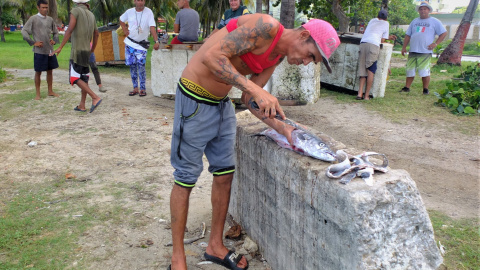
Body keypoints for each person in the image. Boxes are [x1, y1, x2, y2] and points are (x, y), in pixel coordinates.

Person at [167, 14, 340, 270]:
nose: (305, 63)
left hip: (220, 104)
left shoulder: (276, 56)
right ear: (304, 35)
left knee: (224, 174)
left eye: (311, 62)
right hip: (193, 98)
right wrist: (256, 88)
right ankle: (178, 257)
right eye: (310, 55)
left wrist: (283, 128)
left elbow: (250, 99)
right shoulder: (266, 27)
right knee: (186, 177)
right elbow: (212, 57)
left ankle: (215, 245)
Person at [51, 0, 102, 113]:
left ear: (77, 3)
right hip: (87, 51)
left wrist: (60, 47)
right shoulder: (91, 14)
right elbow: (96, 33)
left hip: (77, 51)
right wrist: (92, 49)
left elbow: (70, 29)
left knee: (74, 77)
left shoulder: (75, 11)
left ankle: (94, 97)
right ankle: (82, 105)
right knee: (84, 78)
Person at [400, 1, 447, 95]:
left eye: (425, 9)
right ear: (419, 11)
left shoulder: (434, 21)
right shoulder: (415, 21)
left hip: (425, 50)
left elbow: (443, 33)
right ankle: (407, 87)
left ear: (428, 10)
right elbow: (408, 35)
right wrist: (404, 47)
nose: (422, 11)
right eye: (421, 9)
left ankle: (425, 89)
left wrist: (435, 44)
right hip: (413, 50)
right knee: (410, 70)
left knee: (424, 71)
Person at [119, 0, 160, 97]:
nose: (140, 2)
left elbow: (152, 27)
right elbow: (121, 19)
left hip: (141, 45)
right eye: (138, 0)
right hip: (130, 43)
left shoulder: (148, 12)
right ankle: (135, 88)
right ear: (134, 1)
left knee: (141, 67)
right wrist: (124, 29)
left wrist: (156, 41)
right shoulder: (129, 12)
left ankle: (143, 88)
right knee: (132, 66)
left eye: (142, 0)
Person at [21, 0, 60, 100]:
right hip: (39, 51)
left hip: (50, 51)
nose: (45, 9)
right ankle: (37, 94)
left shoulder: (50, 19)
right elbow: (24, 31)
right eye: (43, 7)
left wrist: (54, 41)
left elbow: (56, 32)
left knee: (50, 71)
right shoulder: (33, 19)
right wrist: (33, 42)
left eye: (46, 7)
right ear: (38, 7)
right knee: (38, 72)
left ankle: (50, 91)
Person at [356, 9, 396, 100]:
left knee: (363, 69)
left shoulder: (372, 20)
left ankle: (359, 94)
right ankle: (366, 96)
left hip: (363, 44)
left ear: (377, 16)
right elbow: (382, 40)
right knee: (371, 70)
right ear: (386, 18)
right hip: (373, 45)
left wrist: (386, 36)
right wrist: (388, 38)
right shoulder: (386, 23)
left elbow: (374, 32)